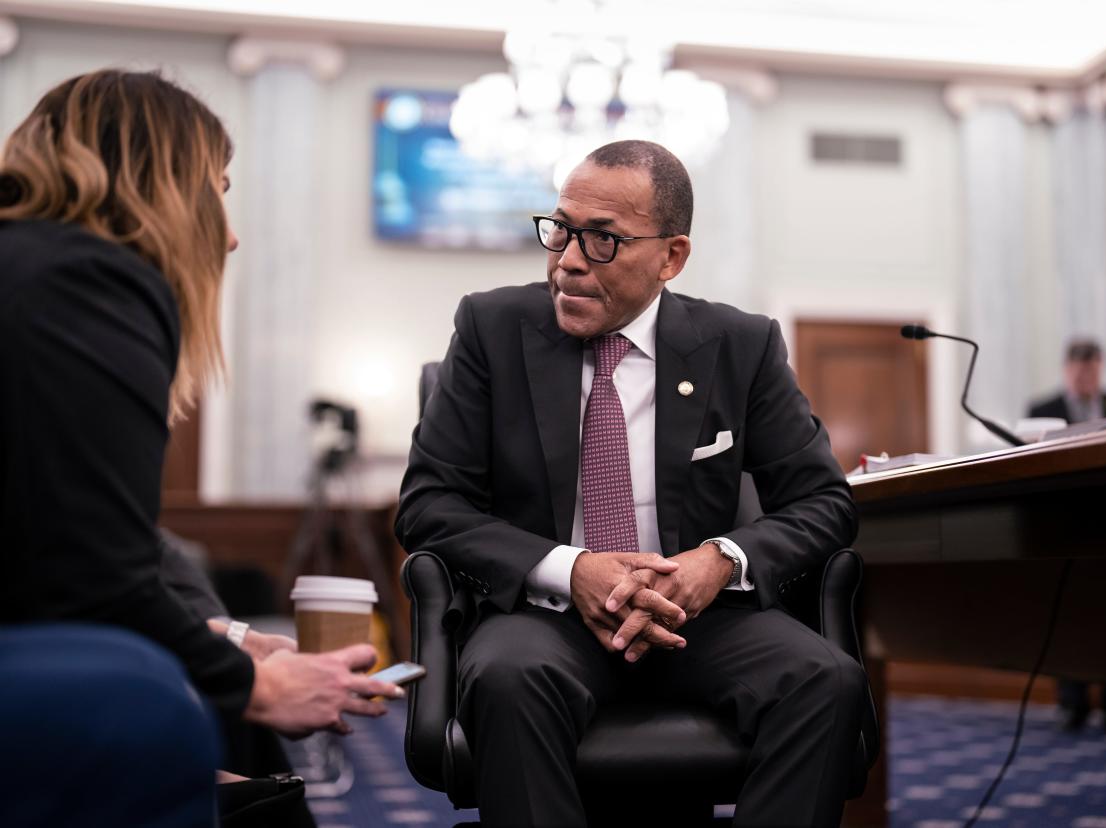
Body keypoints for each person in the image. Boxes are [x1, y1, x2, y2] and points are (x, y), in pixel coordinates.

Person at [396, 140, 866, 827]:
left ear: (671, 257)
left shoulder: (741, 345)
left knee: (826, 681)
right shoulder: (491, 328)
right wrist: (572, 568)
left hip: (698, 620)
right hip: (544, 618)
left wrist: (717, 562)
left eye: (604, 241)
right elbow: (429, 504)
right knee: (507, 679)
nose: (569, 260)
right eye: (559, 229)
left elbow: (825, 503)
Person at [0, 69, 404, 816]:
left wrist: (229, 638)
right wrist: (257, 681)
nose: (232, 231)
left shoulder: (29, 264)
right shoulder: (88, 281)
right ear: (162, 185)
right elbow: (95, 576)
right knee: (196, 708)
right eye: (219, 187)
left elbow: (61, 538)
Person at [1028, 338, 1106, 731]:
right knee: (1069, 612)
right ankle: (1073, 702)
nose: (1086, 376)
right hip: (1063, 524)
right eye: (1079, 369)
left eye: (1093, 368)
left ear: (1101, 367)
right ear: (1067, 369)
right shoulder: (1043, 410)